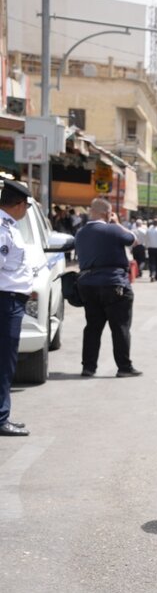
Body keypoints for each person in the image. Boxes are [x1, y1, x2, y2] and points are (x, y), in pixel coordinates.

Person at [75, 198, 142, 379]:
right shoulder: (113, 229)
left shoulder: (80, 233)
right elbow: (133, 240)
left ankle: (88, 367)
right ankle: (124, 367)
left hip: (88, 285)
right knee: (120, 328)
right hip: (114, 283)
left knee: (92, 327)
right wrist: (117, 223)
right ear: (107, 213)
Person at [0, 179, 35, 436]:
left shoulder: (9, 226)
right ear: (20, 204)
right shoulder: (3, 229)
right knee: (4, 362)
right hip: (6, 302)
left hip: (10, 300)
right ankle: (1, 419)